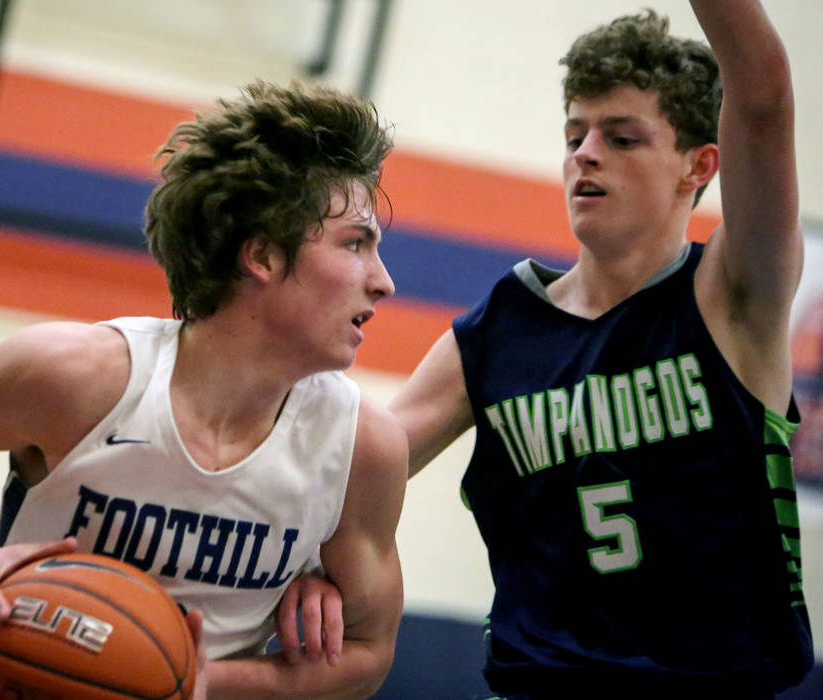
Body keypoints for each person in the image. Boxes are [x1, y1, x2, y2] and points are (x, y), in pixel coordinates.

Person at [283, 1, 814, 697]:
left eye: (622, 138)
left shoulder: (735, 294)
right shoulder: (501, 329)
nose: (585, 153)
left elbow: (765, 97)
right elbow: (346, 475)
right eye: (575, 134)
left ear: (699, 164)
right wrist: (294, 566)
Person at [0, 80, 407, 699]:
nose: (383, 282)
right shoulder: (84, 376)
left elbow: (366, 653)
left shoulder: (363, 444)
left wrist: (192, 680)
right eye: (355, 244)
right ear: (264, 258)